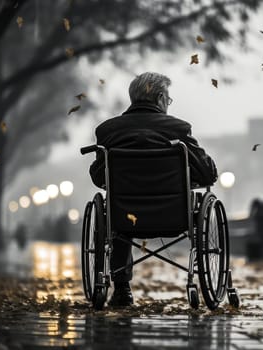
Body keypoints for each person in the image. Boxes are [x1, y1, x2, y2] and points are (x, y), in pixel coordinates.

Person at [89, 72, 218, 307]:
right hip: (174, 216)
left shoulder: (108, 131)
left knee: (114, 210)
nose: (167, 104)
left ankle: (122, 287)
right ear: (160, 98)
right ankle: (193, 281)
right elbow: (208, 174)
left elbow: (98, 177)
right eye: (167, 100)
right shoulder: (178, 129)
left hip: (124, 218)